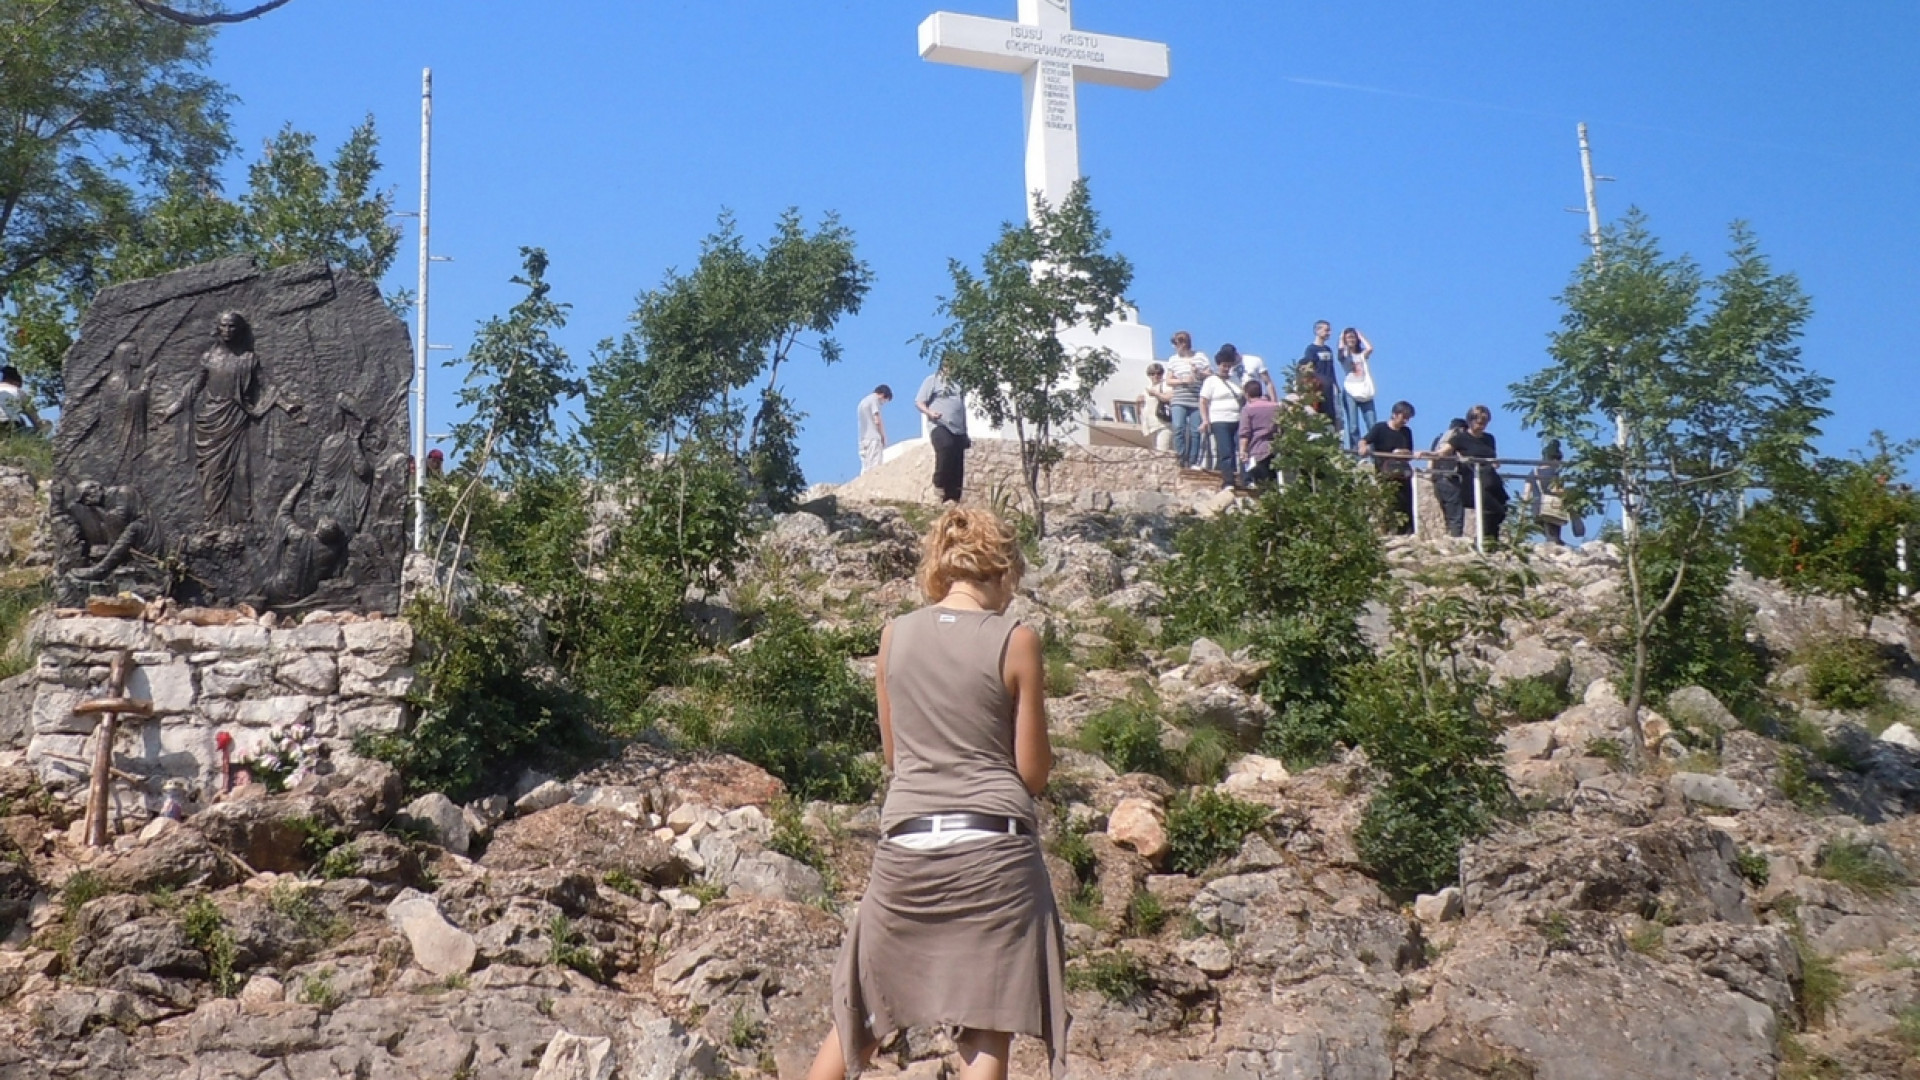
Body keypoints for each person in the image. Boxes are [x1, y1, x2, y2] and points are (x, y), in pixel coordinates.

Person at [806, 507, 1064, 1080]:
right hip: (992, 853)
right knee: (984, 1031)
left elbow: (897, 757)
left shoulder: (894, 637)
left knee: (859, 1018)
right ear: (1002, 571)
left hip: (907, 850)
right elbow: (1032, 773)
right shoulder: (1016, 640)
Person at [1434, 405, 1507, 541]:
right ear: (1470, 421)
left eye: (1485, 423)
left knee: (1502, 508)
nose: (1482, 426)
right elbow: (1443, 452)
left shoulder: (1489, 438)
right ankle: (1485, 539)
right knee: (1492, 508)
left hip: (1491, 479)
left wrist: (1495, 462)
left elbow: (1492, 456)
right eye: (1479, 422)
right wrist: (1425, 454)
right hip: (1474, 480)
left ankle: (1491, 539)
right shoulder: (1460, 437)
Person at [1359, 401, 1418, 534]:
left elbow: (1410, 453)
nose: (1406, 421)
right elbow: (1364, 440)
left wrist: (1401, 453)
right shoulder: (1380, 428)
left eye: (1408, 418)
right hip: (1385, 471)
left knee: (1405, 502)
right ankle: (1386, 530)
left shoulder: (1406, 432)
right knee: (1389, 502)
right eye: (1404, 417)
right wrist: (1363, 447)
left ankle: (1405, 532)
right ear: (1394, 414)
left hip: (1402, 472)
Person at [916, 365, 969, 503]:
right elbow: (919, 402)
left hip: (958, 429)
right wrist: (930, 413)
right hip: (939, 424)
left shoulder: (958, 384)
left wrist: (965, 431)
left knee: (957, 462)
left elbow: (962, 408)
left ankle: (952, 498)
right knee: (946, 446)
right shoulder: (932, 380)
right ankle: (939, 483)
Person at [1199, 347, 1246, 489]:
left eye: (1228, 365)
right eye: (1224, 365)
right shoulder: (1211, 381)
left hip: (1237, 418)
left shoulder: (1236, 380)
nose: (1226, 368)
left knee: (1242, 450)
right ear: (1218, 365)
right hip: (1219, 419)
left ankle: (1245, 479)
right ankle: (1228, 480)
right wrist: (1205, 420)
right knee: (1226, 451)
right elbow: (1203, 401)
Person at [1164, 331, 1207, 468]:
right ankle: (1181, 458)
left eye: (1176, 344)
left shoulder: (1200, 357)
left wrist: (1198, 373)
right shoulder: (1173, 360)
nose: (1175, 347)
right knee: (1178, 427)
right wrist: (1182, 380)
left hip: (1196, 398)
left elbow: (1209, 374)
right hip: (1179, 397)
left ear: (1183, 343)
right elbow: (1169, 380)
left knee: (1195, 431)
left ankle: (1193, 461)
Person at [1300, 321, 1343, 444]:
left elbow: (1332, 369)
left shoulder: (1328, 349)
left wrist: (1335, 384)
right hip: (1319, 388)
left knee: (1334, 414)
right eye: (1326, 330)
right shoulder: (1311, 349)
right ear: (1317, 331)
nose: (1329, 333)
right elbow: (1309, 368)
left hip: (1331, 387)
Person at [1524, 439, 1572, 545]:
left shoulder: (1533, 472)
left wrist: (1523, 511)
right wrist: (1568, 493)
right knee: (1554, 537)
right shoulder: (1554, 472)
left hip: (1537, 508)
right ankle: (1555, 552)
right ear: (1555, 460)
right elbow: (1555, 490)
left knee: (1547, 534)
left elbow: (1526, 493)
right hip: (1552, 507)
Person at [1337, 328, 1378, 451]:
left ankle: (1375, 452)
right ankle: (1356, 451)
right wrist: (1341, 337)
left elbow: (1370, 348)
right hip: (1350, 390)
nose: (1351, 339)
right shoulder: (1344, 355)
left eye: (1353, 337)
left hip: (1364, 390)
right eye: (1348, 338)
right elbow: (1340, 349)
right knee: (1353, 425)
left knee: (1372, 424)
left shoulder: (1361, 355)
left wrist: (1361, 336)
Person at [1238, 380, 1279, 485]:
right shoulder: (1275, 407)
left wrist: (1243, 451)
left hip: (1257, 450)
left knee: (1262, 484)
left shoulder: (1247, 409)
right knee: (1275, 482)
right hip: (1276, 448)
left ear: (1247, 394)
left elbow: (1245, 433)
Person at [857, 384, 893, 475]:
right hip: (873, 437)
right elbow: (877, 420)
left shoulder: (863, 402)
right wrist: (883, 436)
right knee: (875, 467)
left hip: (863, 439)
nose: (882, 404)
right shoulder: (875, 400)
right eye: (884, 401)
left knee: (865, 467)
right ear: (882, 395)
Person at [1140, 362, 1173, 452]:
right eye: (1152, 374)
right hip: (1151, 424)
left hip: (1163, 424)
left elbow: (1168, 398)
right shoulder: (1147, 388)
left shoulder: (1166, 385)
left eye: (1158, 373)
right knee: (1155, 452)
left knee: (1162, 451)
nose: (1155, 376)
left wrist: (1156, 394)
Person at [0, 366, 41, 434]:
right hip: (8, 426)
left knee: (21, 420)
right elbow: (35, 419)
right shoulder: (17, 390)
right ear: (16, 382)